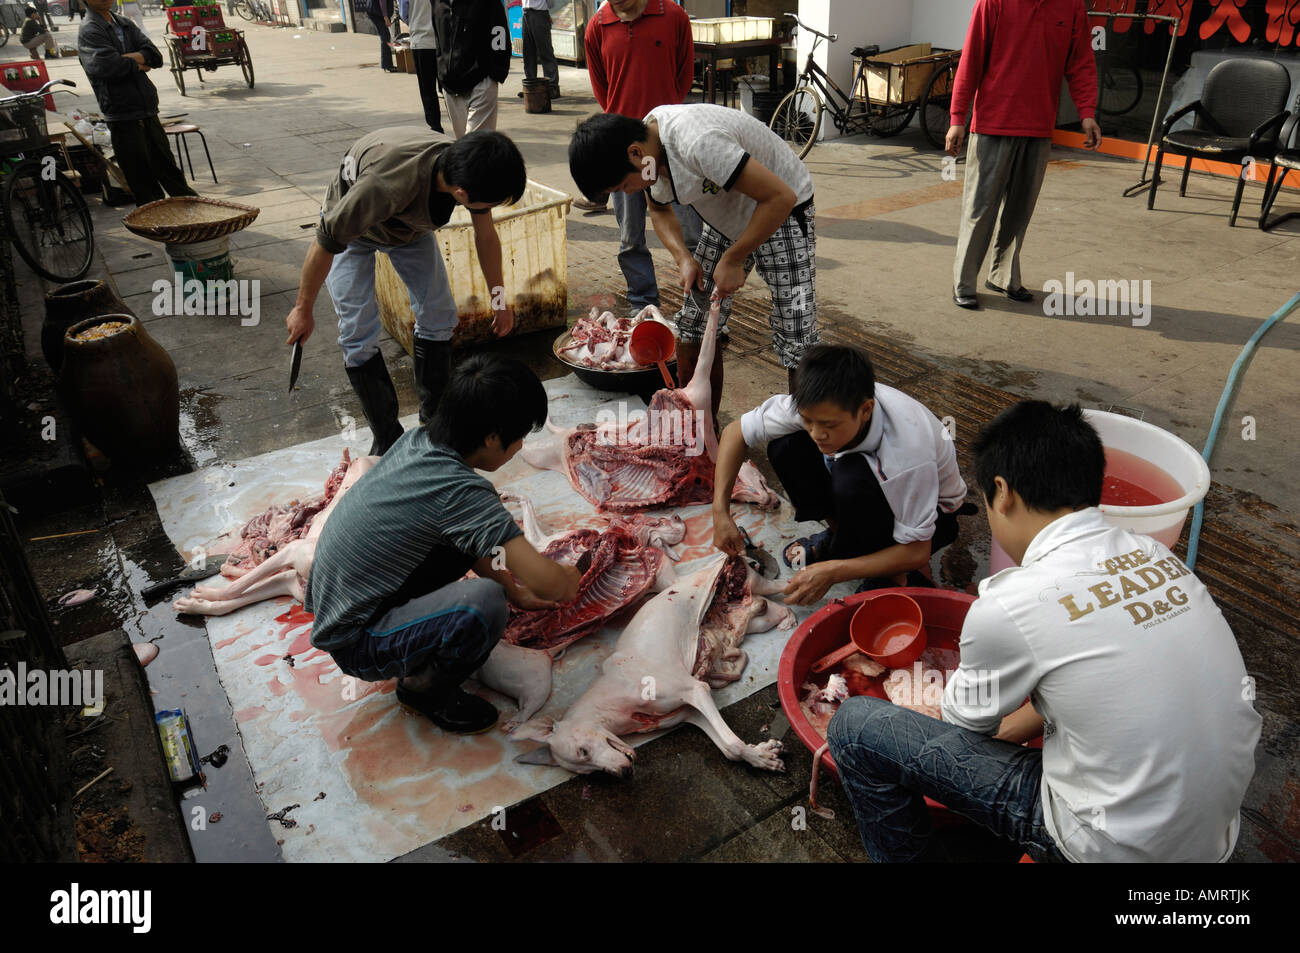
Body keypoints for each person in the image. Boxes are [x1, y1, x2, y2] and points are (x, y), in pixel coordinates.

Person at [828, 402, 1262, 862]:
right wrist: (1019, 723)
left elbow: (962, 726)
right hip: (1210, 837)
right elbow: (1118, 683)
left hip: (1104, 847)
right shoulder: (1159, 559)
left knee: (856, 729)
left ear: (1002, 491)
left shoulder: (1013, 601)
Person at [304, 355, 583, 734]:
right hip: (356, 641)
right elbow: (548, 582)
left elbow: (473, 542)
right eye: (518, 437)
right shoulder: (459, 491)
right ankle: (424, 689)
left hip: (337, 608)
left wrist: (515, 590)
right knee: (484, 605)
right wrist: (567, 579)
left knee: (473, 550)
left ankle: (415, 641)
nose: (520, 447)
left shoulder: (420, 442)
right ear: (491, 438)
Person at [284, 128, 523, 457]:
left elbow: (486, 236)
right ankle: (386, 435)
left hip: (408, 230)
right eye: (491, 203)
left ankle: (435, 426)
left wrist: (499, 301)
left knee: (439, 314)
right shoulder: (384, 186)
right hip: (352, 232)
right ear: (462, 193)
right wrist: (303, 308)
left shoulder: (468, 166)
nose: (490, 209)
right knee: (357, 328)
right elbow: (325, 242)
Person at [570, 106, 817, 420]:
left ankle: (812, 442)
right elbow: (659, 210)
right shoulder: (648, 152)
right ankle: (698, 429)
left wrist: (735, 257)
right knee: (694, 325)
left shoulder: (696, 142)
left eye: (622, 187)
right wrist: (684, 259)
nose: (628, 193)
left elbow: (780, 197)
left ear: (635, 152)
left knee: (797, 339)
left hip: (781, 212)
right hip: (727, 214)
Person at [712, 345, 970, 606]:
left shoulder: (907, 451)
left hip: (937, 518)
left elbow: (917, 551)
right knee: (785, 446)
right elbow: (735, 432)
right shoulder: (819, 405)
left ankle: (893, 577)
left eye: (829, 425)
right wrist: (720, 512)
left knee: (851, 478)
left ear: (866, 410)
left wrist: (834, 572)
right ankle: (841, 540)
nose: (816, 433)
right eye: (808, 421)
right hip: (870, 487)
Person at [947, 0, 1100, 310]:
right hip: (993, 123)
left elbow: (1081, 61)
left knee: (1020, 209)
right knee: (980, 209)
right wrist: (956, 119)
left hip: (1039, 126)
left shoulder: (1070, 7)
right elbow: (971, 61)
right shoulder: (993, 3)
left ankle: (1004, 277)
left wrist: (1086, 113)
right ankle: (964, 282)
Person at [584, 0, 702, 313]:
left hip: (668, 148)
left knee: (691, 230)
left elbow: (684, 76)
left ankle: (700, 304)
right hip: (622, 153)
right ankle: (642, 302)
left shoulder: (673, 16)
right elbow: (602, 88)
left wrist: (659, 123)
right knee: (630, 236)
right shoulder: (598, 26)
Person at [78, 0, 198, 206]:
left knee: (169, 170)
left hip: (147, 109)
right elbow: (107, 66)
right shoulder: (90, 29)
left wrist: (130, 59)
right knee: (142, 180)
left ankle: (194, 217)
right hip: (121, 113)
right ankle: (160, 226)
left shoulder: (124, 23)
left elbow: (155, 56)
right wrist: (140, 63)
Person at [433, 0, 510, 138]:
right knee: (464, 146)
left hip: (481, 83)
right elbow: (439, 39)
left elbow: (499, 31)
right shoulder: (437, 2)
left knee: (474, 149)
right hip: (450, 87)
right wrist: (441, 75)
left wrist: (495, 74)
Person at [408, 0, 442, 132]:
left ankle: (435, 127)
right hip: (443, 39)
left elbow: (404, 12)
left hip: (421, 40)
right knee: (449, 88)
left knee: (427, 89)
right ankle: (460, 124)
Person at [520, 0, 558, 98]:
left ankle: (552, 87)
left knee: (545, 51)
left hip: (539, 14)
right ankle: (531, 85)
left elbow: (551, 4)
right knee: (528, 52)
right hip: (526, 13)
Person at [363, 0, 398, 73]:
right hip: (377, 13)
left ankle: (386, 65)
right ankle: (387, 65)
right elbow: (382, 2)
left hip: (375, 11)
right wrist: (385, 17)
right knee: (385, 36)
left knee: (385, 36)